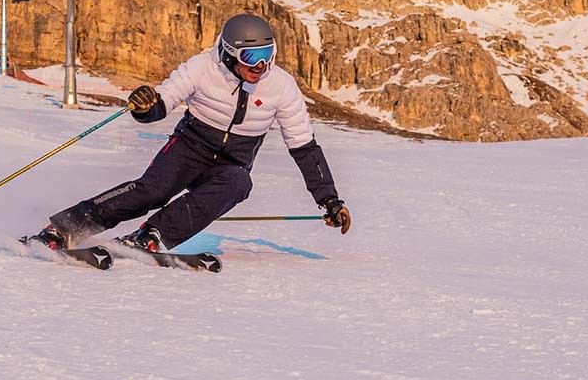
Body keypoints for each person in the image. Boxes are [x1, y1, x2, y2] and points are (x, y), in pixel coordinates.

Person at [26, 13, 351, 253]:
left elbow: (304, 147)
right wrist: (145, 106)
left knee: (239, 183)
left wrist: (330, 200)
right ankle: (64, 228)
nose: (260, 67)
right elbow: (163, 102)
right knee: (152, 191)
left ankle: (152, 235)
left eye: (267, 56)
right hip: (190, 146)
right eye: (251, 58)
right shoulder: (202, 67)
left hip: (232, 161)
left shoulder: (281, 86)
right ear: (228, 53)